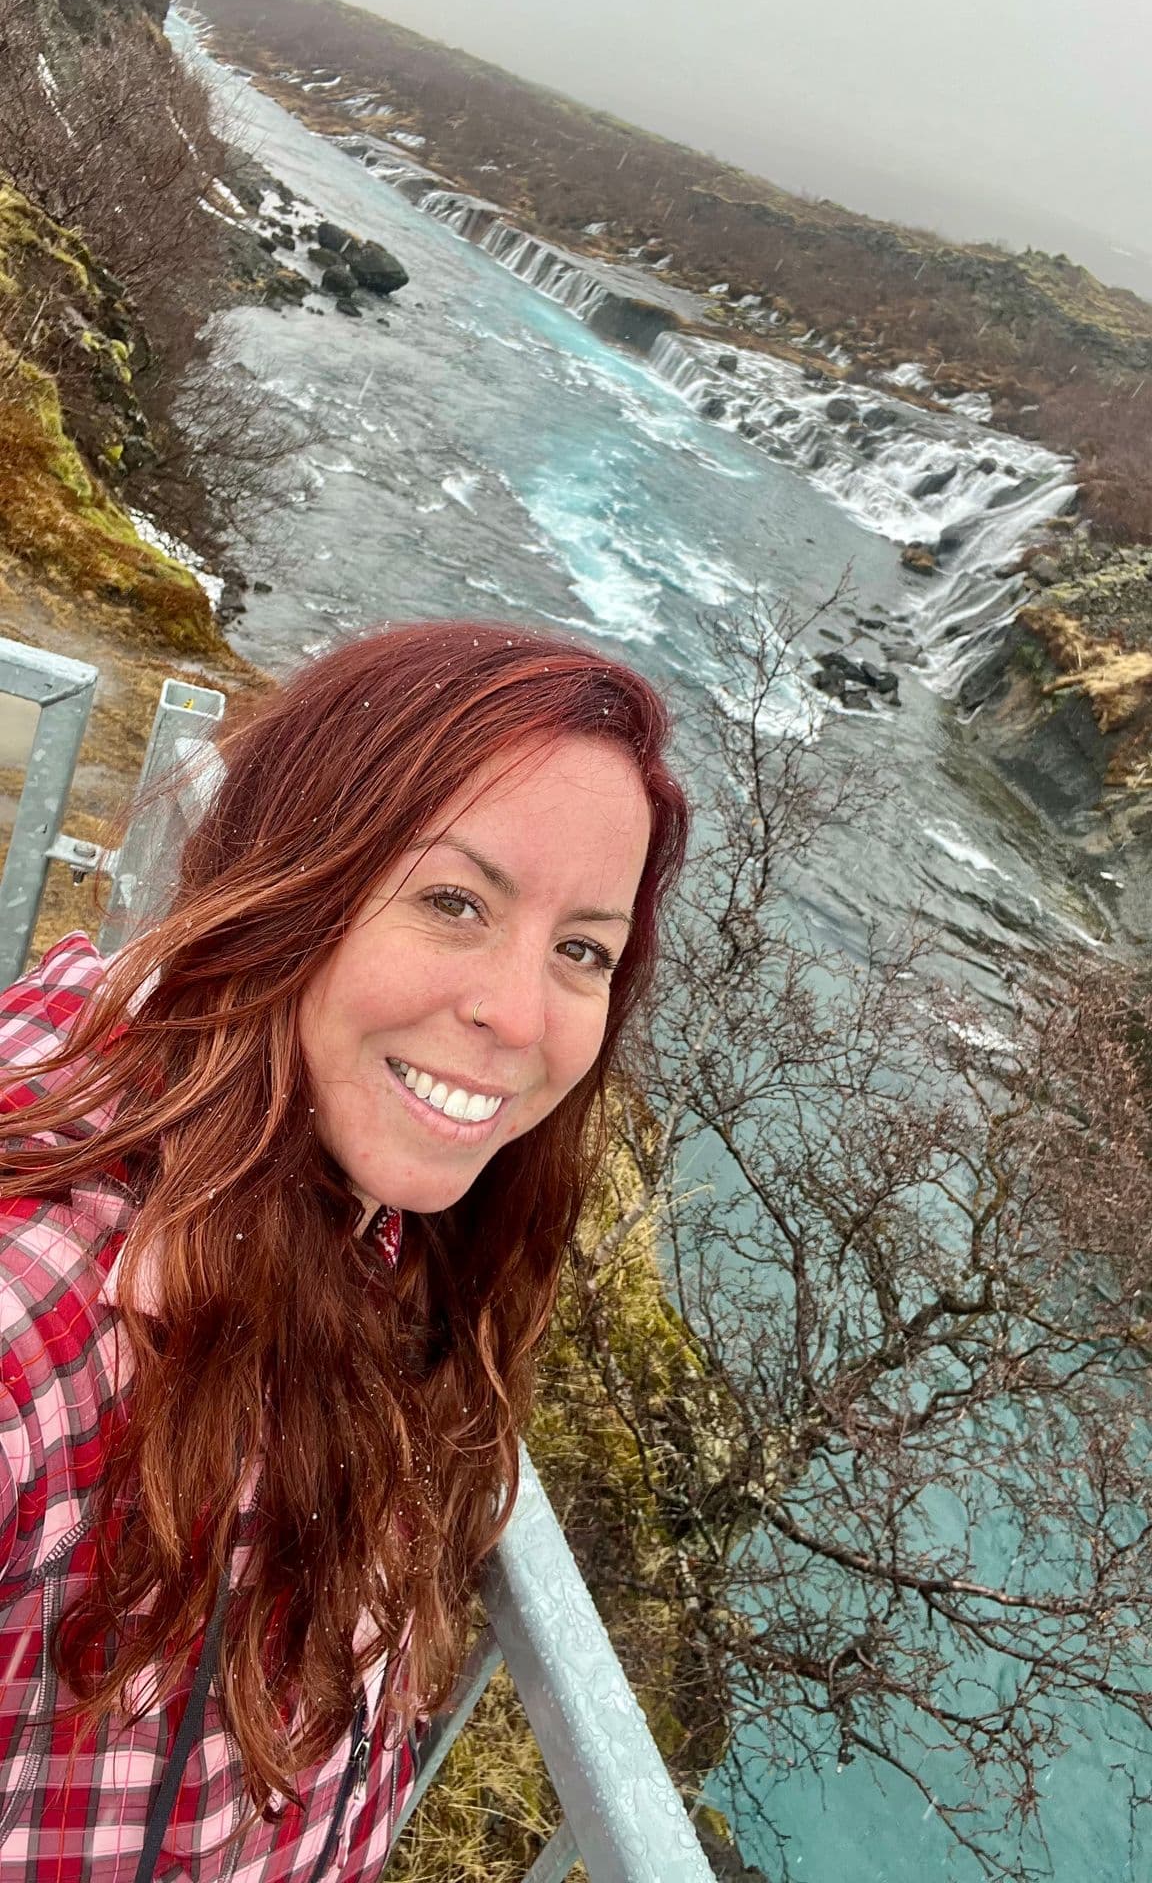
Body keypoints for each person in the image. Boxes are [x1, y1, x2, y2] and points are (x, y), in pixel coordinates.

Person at [0, 619, 688, 1882]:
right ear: (291, 876)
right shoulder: (46, 1310)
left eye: (582, 948)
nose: (522, 1014)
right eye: (452, 900)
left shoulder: (365, 1201)